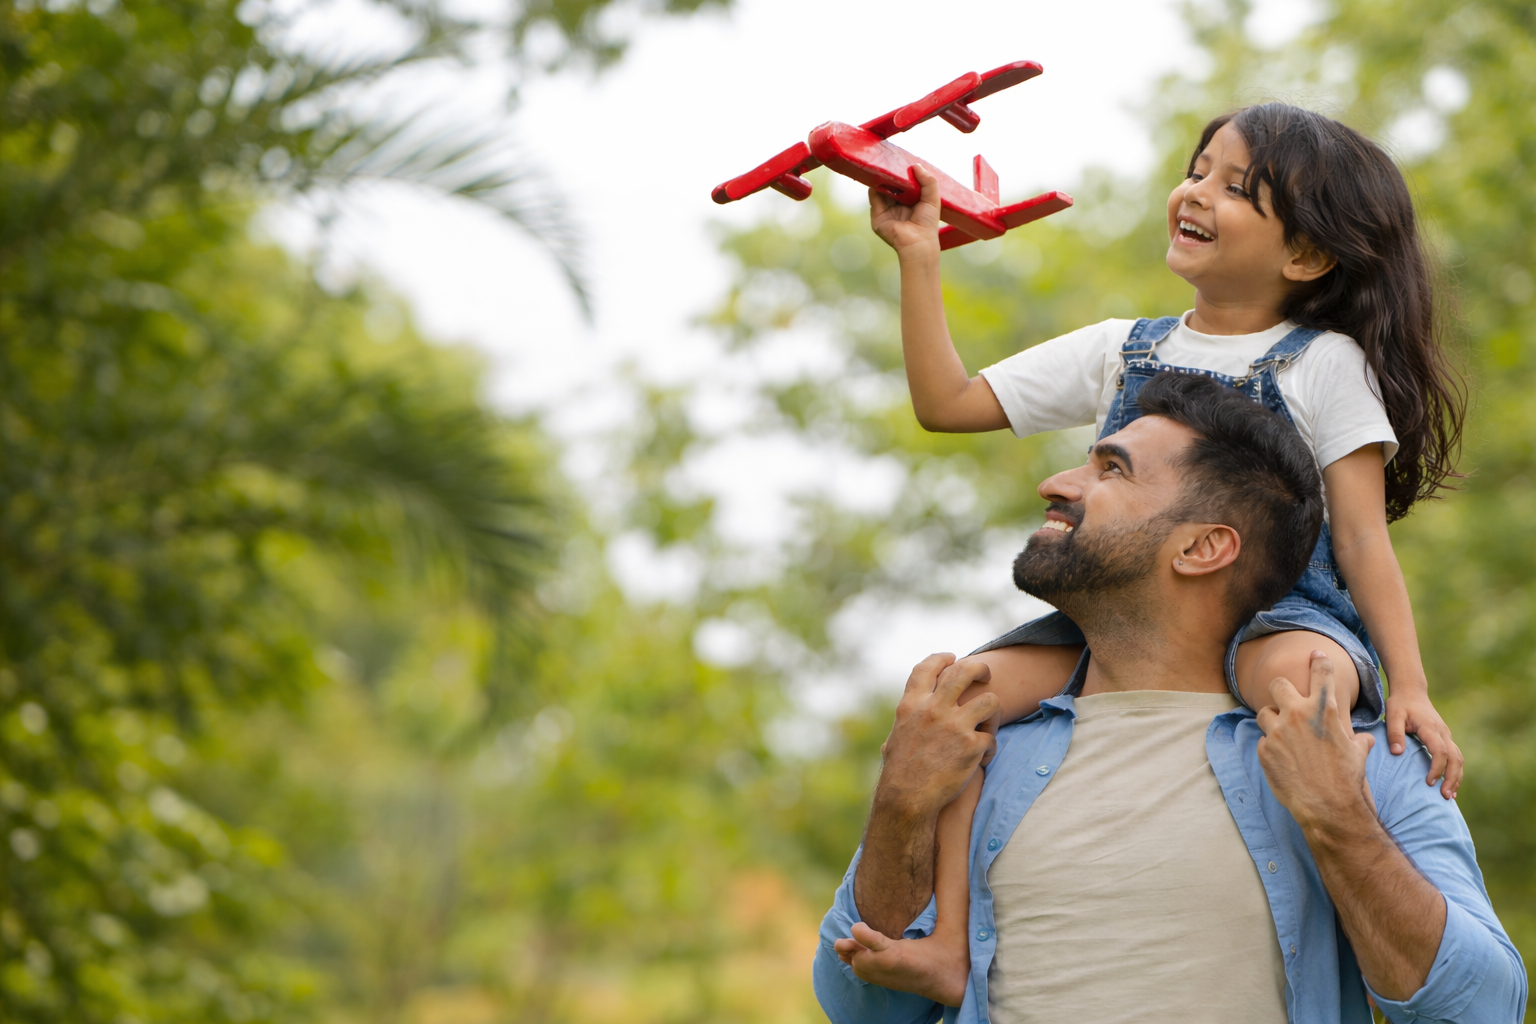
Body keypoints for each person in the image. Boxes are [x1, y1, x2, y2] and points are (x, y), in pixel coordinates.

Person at [864, 102, 1468, 1000]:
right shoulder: (1123, 349)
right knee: (964, 708)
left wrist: (1407, 684)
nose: (1194, 191)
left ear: (1304, 256)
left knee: (1307, 703)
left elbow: (1360, 539)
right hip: (1120, 612)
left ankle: (1312, 900)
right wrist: (920, 257)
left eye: (1235, 187)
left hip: (1287, 609)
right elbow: (946, 402)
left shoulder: (1322, 363)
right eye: (1197, 169)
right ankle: (951, 938)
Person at [813, 372, 1525, 1024]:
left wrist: (1338, 817)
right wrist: (902, 804)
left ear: (1202, 548)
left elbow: (1483, 1009)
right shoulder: (980, 750)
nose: (1056, 484)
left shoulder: (1359, 759)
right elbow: (863, 1008)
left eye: (1110, 468)